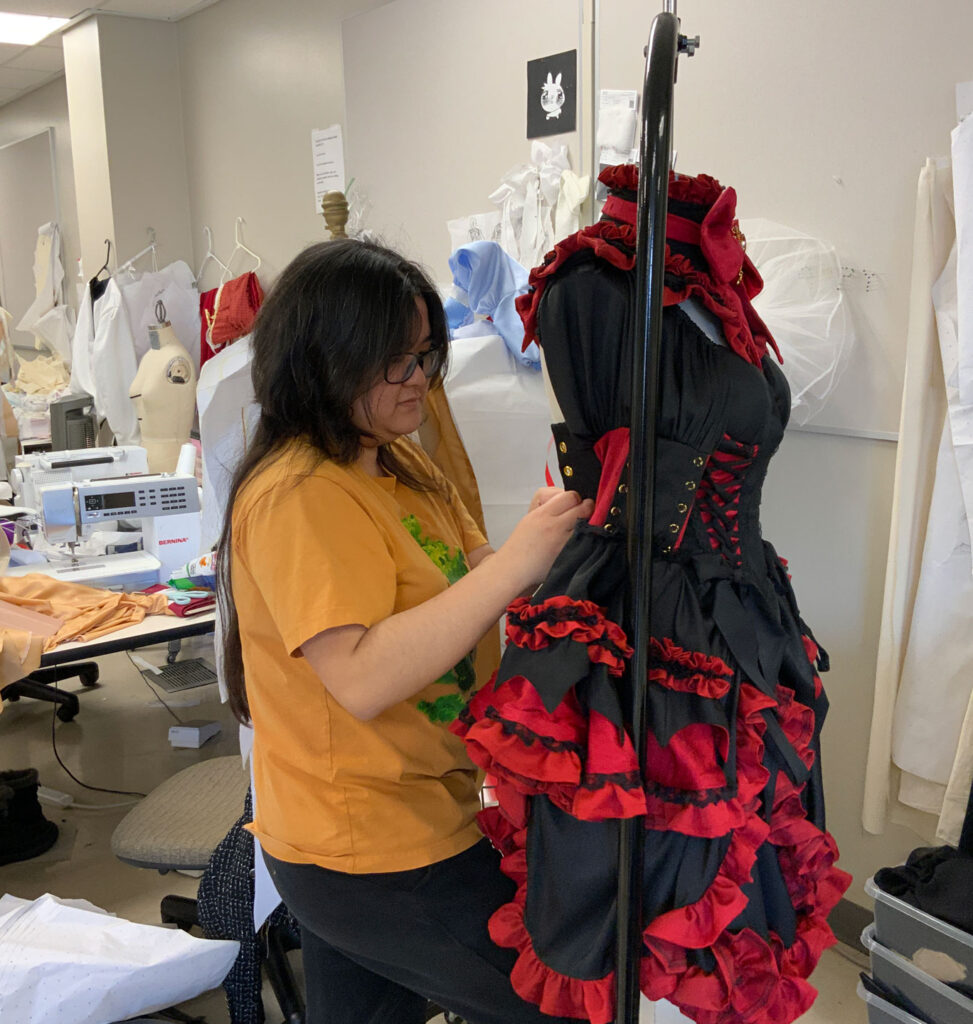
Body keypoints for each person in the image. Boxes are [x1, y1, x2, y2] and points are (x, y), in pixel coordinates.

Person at [216, 238, 594, 1024]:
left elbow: (469, 572)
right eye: (397, 361)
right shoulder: (300, 496)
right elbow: (359, 677)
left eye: (426, 355)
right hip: (363, 847)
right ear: (326, 358)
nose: (419, 380)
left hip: (421, 808)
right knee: (554, 1006)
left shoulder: (396, 464)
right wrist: (512, 564)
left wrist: (539, 553)